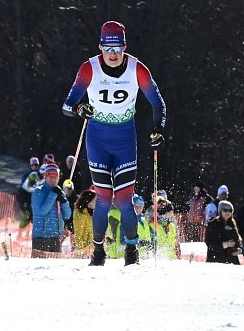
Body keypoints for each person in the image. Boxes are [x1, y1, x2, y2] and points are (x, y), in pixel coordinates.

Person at [62, 20, 166, 267]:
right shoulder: (89, 69)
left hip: (125, 140)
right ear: (100, 47)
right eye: (108, 48)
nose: (112, 54)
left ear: (124, 47)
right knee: (104, 199)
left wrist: (158, 130)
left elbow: (157, 102)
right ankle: (98, 251)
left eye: (117, 48)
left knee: (125, 200)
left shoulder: (137, 69)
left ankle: (132, 251)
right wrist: (80, 108)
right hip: (97, 139)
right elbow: (67, 105)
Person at [31, 163, 73, 255]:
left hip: (56, 236)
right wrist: (53, 195)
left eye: (55, 176)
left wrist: (64, 201)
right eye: (50, 176)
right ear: (45, 176)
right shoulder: (38, 191)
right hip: (41, 236)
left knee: (55, 267)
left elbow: (67, 216)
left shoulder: (59, 192)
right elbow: (41, 212)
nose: (53, 179)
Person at [205, 200, 242, 264]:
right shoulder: (212, 224)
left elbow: (237, 240)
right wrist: (224, 245)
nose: (228, 212)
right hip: (216, 260)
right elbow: (209, 243)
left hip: (231, 260)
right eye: (225, 210)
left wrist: (239, 249)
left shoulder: (232, 223)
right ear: (220, 211)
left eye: (230, 210)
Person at [16, 157, 41, 228]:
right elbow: (23, 187)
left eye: (36, 165)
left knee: (33, 214)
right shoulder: (28, 175)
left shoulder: (40, 175)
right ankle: (20, 230)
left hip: (32, 197)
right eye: (33, 165)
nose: (35, 167)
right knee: (26, 213)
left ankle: (30, 231)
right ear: (31, 166)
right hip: (24, 196)